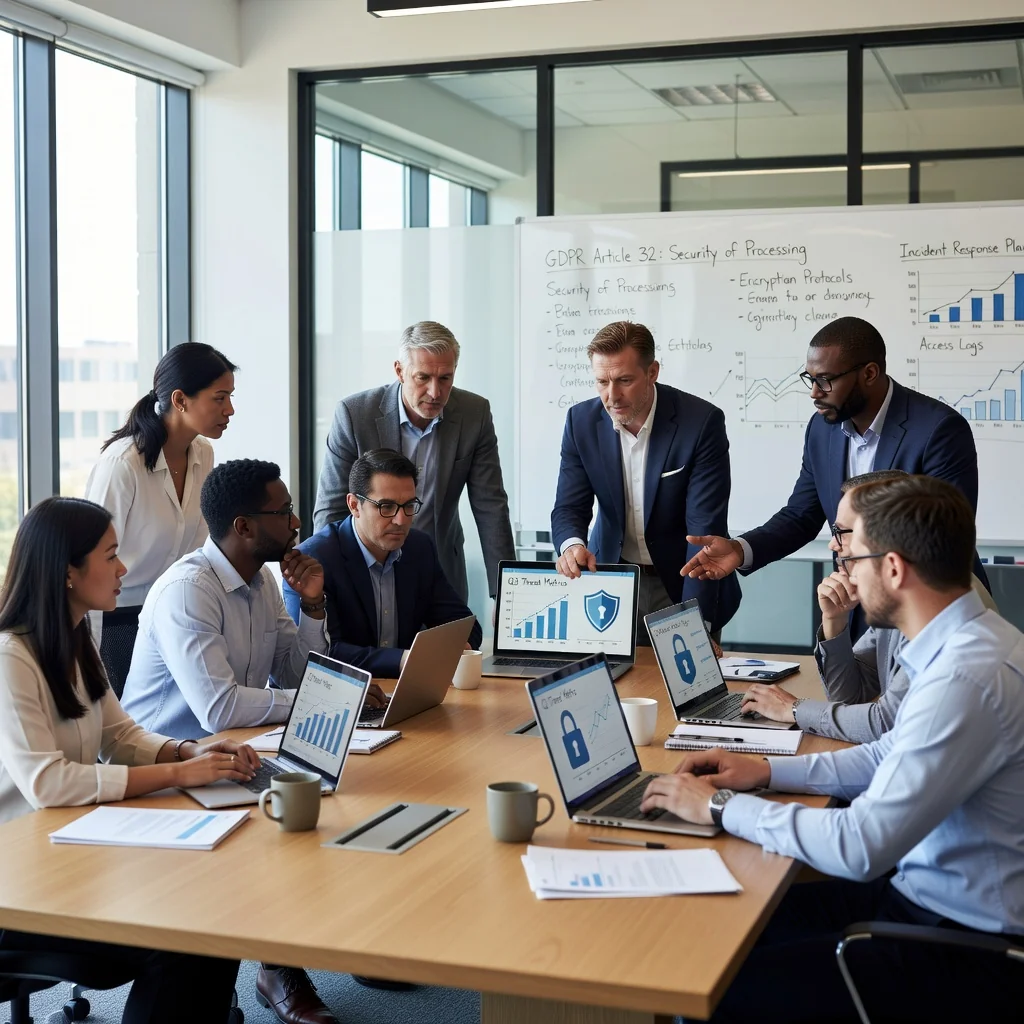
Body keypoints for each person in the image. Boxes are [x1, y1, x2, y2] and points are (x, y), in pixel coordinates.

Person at [641, 475, 1024, 1023]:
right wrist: (765, 772)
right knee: (714, 927)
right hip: (923, 901)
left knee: (705, 985)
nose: (842, 563)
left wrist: (718, 807)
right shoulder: (972, 641)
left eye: (853, 551)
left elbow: (859, 845)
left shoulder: (966, 678)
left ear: (893, 568)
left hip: (960, 946)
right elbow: (884, 752)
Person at [0, 497, 257, 1023]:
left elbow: (118, 735)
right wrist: (180, 773)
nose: (124, 570)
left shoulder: (75, 635)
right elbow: (46, 784)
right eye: (111, 556)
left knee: (216, 904)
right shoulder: (11, 658)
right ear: (68, 571)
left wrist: (191, 750)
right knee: (183, 933)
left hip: (69, 855)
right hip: (19, 885)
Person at [120, 460, 343, 1024]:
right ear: (243, 527)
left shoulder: (263, 580)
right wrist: (317, 701)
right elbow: (219, 708)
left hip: (234, 756)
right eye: (282, 512)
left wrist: (313, 603)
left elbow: (294, 673)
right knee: (295, 821)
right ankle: (277, 963)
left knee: (325, 803)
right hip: (165, 771)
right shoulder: (187, 591)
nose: (296, 521)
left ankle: (275, 959)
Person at [678, 317, 988, 614]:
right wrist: (740, 549)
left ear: (869, 373)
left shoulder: (939, 430)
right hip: (853, 603)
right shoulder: (821, 429)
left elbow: (944, 537)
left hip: (929, 606)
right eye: (810, 380)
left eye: (825, 381)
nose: (814, 392)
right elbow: (802, 514)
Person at [551, 320, 740, 638]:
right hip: (611, 578)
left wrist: (699, 626)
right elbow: (569, 506)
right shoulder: (580, 422)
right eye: (601, 382)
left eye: (624, 380)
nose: (612, 396)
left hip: (684, 580)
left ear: (652, 372)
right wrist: (572, 546)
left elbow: (704, 533)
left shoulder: (701, 423)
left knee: (687, 685)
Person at [313, 321, 515, 603]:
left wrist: (505, 593)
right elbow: (332, 507)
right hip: (367, 569)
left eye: (445, 378)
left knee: (451, 646)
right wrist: (328, 586)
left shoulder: (474, 414)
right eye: (423, 378)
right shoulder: (354, 415)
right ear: (400, 371)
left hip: (441, 571)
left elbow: (491, 505)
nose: (435, 392)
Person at [84, 342, 238, 696]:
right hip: (119, 621)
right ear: (181, 400)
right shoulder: (124, 465)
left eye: (230, 396)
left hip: (178, 612)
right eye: (219, 398)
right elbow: (87, 559)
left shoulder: (204, 453)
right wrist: (86, 658)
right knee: (131, 731)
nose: (230, 409)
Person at [739, 470, 909, 742]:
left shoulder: (929, 611)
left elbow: (887, 724)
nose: (833, 544)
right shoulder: (892, 601)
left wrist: (794, 709)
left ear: (884, 534)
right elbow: (849, 698)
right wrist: (835, 620)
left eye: (840, 531)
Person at [284, 449, 482, 675]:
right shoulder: (313, 560)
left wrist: (459, 647)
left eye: (409, 506)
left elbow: (465, 625)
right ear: (354, 505)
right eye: (386, 507)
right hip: (344, 698)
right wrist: (404, 659)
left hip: (407, 694)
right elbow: (320, 653)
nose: (401, 520)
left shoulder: (419, 549)